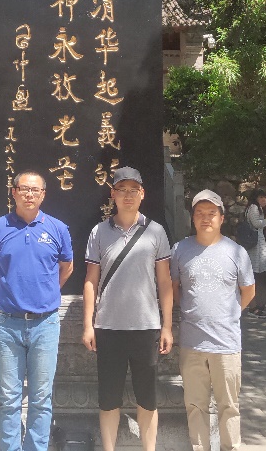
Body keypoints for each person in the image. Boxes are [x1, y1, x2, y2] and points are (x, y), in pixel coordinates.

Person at [81, 167, 173, 451]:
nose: (128, 195)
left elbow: (165, 281)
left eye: (134, 190)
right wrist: (88, 325)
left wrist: (167, 326)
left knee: (147, 398)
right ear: (113, 194)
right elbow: (90, 281)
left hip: (146, 327)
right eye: (122, 190)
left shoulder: (156, 231)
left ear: (142, 194)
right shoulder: (99, 232)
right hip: (108, 328)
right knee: (109, 399)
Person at [0, 171, 73, 451]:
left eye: (35, 190)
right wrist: (5, 295)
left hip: (45, 324)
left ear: (43, 194)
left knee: (41, 398)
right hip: (8, 324)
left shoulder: (58, 228)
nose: (29, 194)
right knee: (8, 399)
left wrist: (46, 293)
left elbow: (66, 267)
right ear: (14, 192)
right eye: (24, 189)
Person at [171, 190, 255, 451]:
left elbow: (249, 291)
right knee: (195, 405)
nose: (205, 218)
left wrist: (228, 315)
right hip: (192, 342)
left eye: (211, 213)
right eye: (200, 213)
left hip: (226, 344)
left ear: (221, 218)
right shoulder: (180, 250)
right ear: (193, 218)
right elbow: (174, 289)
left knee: (229, 405)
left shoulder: (236, 252)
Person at [243, 188, 266, 316]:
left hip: (260, 246)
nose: (264, 200)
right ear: (255, 198)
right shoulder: (253, 208)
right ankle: (252, 306)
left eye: (265, 197)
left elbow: (262, 226)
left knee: (261, 276)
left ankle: (260, 303)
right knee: (253, 276)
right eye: (261, 197)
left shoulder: (259, 209)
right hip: (254, 247)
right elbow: (256, 224)